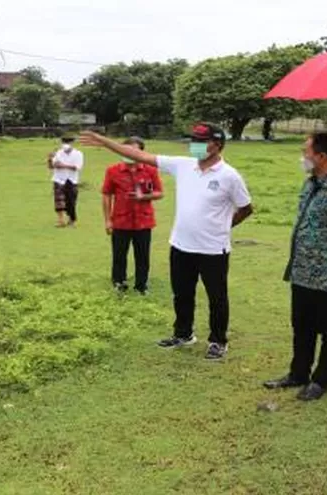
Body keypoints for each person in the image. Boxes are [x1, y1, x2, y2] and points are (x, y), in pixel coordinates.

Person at [81, 123, 253, 360]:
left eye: (202, 141)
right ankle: (183, 334)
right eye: (194, 140)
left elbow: (246, 208)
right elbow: (140, 154)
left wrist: (224, 226)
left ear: (218, 145)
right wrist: (106, 142)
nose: (196, 145)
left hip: (213, 249)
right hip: (181, 245)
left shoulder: (229, 176)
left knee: (217, 297)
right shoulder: (183, 165)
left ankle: (217, 340)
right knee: (181, 293)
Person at [264, 133, 327, 401]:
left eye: (306, 151)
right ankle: (298, 373)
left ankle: (322, 380)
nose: (303, 156)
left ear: (322, 156)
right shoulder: (311, 184)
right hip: (301, 271)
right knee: (301, 325)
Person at [101, 136, 164, 294]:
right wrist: (108, 220)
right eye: (125, 150)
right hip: (121, 220)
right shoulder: (113, 170)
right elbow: (106, 194)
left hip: (143, 220)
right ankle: (119, 283)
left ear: (142, 153)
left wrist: (144, 197)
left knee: (143, 256)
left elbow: (160, 193)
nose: (128, 154)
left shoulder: (150, 170)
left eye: (133, 151)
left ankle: (141, 285)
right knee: (119, 254)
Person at [48, 136, 84, 228]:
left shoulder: (78, 154)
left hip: (72, 180)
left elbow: (76, 167)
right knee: (59, 201)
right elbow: (51, 166)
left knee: (71, 201)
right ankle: (61, 220)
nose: (65, 145)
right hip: (59, 179)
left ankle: (71, 220)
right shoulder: (58, 153)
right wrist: (49, 159)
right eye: (64, 142)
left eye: (68, 142)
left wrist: (62, 165)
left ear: (73, 143)